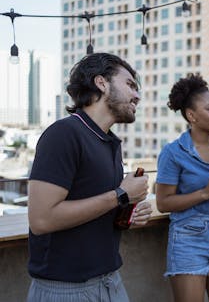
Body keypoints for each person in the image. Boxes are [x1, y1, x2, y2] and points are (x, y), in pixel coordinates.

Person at [27, 53, 153, 302]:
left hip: (110, 281)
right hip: (66, 290)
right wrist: (121, 194)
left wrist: (126, 213)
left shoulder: (109, 142)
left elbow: (96, 206)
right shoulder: (63, 134)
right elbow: (41, 220)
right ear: (102, 83)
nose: (137, 95)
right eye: (129, 84)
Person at [155, 74, 209, 302]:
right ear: (191, 115)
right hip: (189, 242)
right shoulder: (173, 153)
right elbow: (163, 203)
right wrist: (205, 192)